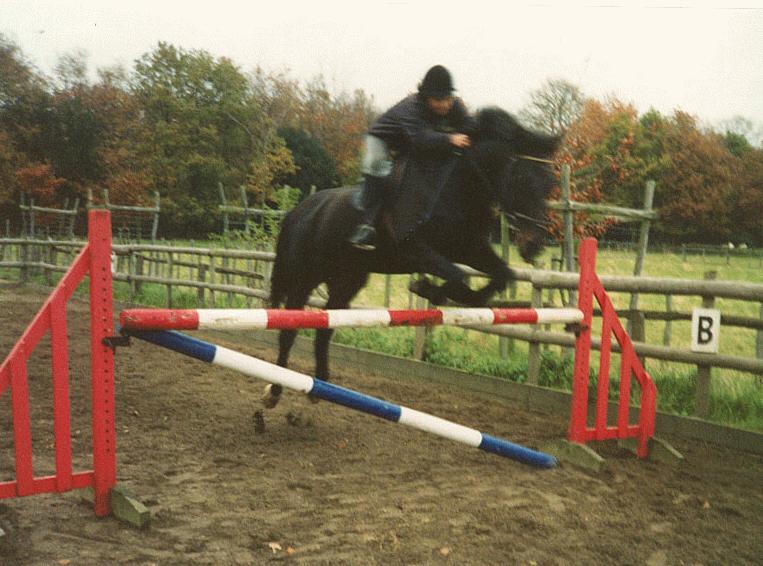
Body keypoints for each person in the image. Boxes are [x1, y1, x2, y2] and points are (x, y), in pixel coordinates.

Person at [348, 65, 474, 251]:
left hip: (409, 142)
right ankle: (367, 226)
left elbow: (471, 125)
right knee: (379, 169)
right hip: (383, 140)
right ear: (426, 97)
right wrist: (450, 138)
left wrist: (465, 134)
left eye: (448, 98)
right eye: (438, 100)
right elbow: (420, 139)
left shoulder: (453, 105)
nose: (445, 104)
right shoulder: (411, 107)